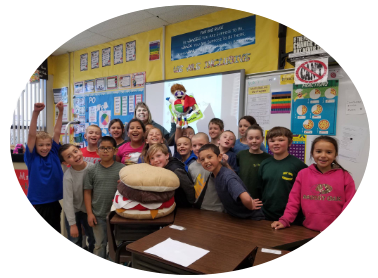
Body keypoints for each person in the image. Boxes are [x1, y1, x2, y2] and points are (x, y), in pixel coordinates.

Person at [271, 136, 357, 232]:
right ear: (312, 153)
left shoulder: (345, 176)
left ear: (335, 154)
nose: (323, 155)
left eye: (329, 152)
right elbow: (293, 201)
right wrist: (285, 220)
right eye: (318, 151)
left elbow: (349, 201)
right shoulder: (303, 174)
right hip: (307, 230)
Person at [25, 101, 64, 233]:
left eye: (47, 144)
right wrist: (36, 113)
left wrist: (61, 112)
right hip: (38, 202)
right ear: (35, 146)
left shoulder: (53, 152)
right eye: (41, 145)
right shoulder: (31, 157)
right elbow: (31, 135)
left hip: (54, 201)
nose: (45, 148)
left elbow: (57, 131)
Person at [83, 136, 125, 260]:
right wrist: (89, 213)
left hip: (117, 215)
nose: (105, 151)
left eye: (109, 148)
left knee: (115, 245)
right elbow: (87, 192)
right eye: (102, 148)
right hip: (98, 214)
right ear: (97, 151)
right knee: (99, 245)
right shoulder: (91, 170)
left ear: (115, 151)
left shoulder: (122, 169)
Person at [197, 144, 264, 219]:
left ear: (219, 157)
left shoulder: (227, 176)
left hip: (252, 218)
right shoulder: (216, 174)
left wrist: (251, 206)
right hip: (237, 217)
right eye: (202, 159)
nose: (206, 161)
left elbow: (246, 198)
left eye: (209, 157)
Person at [256, 127, 307, 221]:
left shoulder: (299, 165)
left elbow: (305, 194)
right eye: (272, 140)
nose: (276, 143)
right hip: (266, 215)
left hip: (291, 217)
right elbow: (260, 189)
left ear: (290, 142)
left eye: (281, 140)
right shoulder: (264, 164)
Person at [59, 144, 95, 253]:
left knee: (94, 239)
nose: (75, 156)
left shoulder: (93, 168)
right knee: (74, 240)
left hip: (90, 210)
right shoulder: (68, 176)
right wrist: (72, 224)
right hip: (73, 211)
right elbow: (68, 202)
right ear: (65, 163)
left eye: (75, 151)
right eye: (69, 156)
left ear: (80, 150)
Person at [147, 143, 195, 208]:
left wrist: (192, 206)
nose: (155, 160)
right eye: (152, 158)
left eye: (158, 156)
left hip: (182, 207)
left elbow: (189, 188)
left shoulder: (175, 170)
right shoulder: (160, 168)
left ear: (167, 156)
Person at [188, 133, 224, 212]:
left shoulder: (216, 164)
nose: (197, 148)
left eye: (201, 145)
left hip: (218, 209)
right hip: (199, 208)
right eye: (194, 145)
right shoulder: (191, 167)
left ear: (209, 145)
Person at [237, 124, 271, 199]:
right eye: (251, 138)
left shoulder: (269, 158)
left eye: (257, 138)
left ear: (262, 139)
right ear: (246, 139)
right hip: (243, 197)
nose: (254, 141)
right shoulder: (241, 155)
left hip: (261, 199)